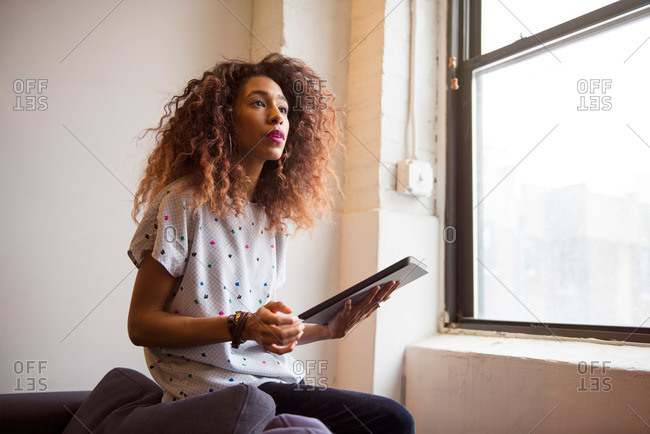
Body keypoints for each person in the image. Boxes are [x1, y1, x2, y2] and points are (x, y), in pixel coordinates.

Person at [126, 53, 415, 433]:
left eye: (283, 108)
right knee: (392, 419)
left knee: (388, 419)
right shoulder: (183, 202)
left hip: (269, 382)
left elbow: (259, 332)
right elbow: (141, 325)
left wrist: (328, 330)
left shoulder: (271, 219)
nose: (278, 117)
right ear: (224, 118)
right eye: (259, 103)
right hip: (212, 391)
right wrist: (242, 325)